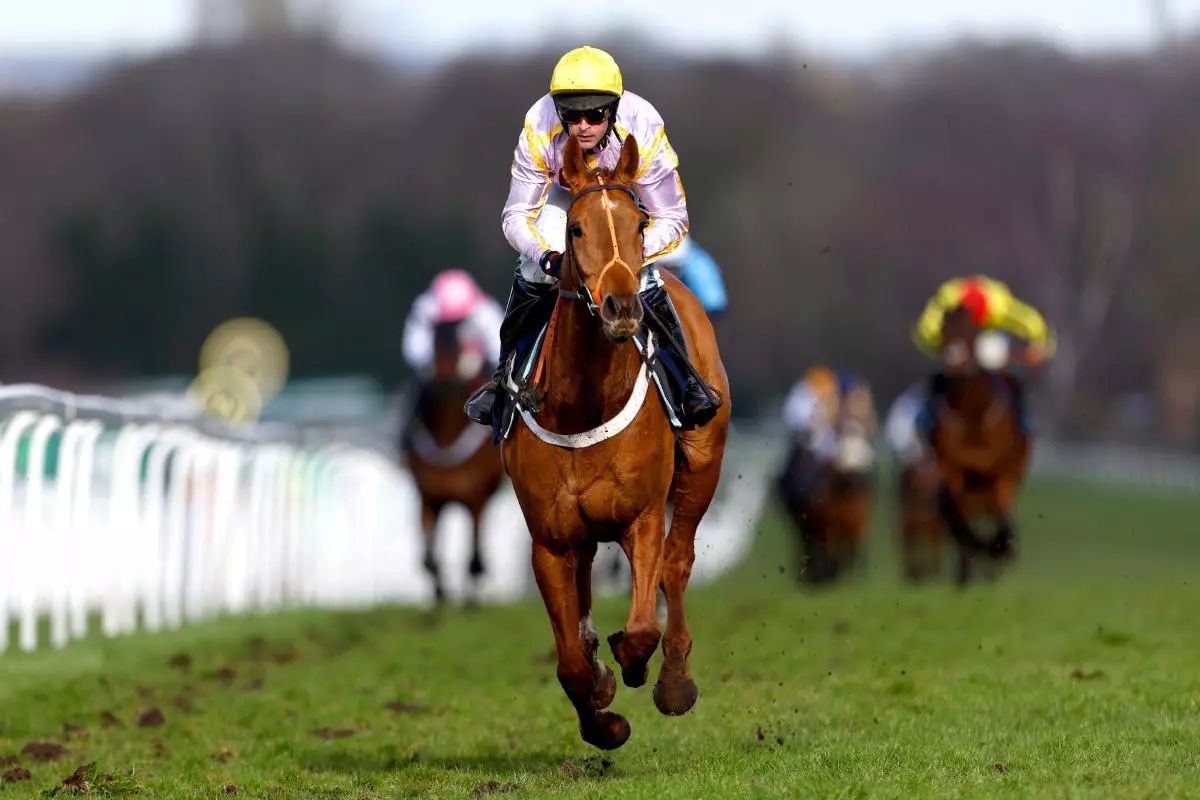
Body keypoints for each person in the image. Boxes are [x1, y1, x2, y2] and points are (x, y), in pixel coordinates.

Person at [464, 45, 721, 431]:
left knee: (645, 276)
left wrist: (628, 254)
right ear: (558, 111)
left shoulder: (643, 124)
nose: (582, 125)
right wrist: (546, 256)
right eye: (572, 115)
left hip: (621, 196)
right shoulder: (538, 123)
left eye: (595, 114)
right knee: (532, 270)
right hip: (564, 195)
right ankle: (503, 381)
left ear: (614, 109)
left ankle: (686, 382)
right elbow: (516, 215)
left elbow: (673, 216)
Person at [911, 275, 1054, 442]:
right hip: (955, 337)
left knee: (992, 351)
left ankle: (1021, 420)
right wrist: (941, 345)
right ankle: (927, 418)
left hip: (988, 336)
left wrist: (1040, 345)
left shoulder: (998, 305)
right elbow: (925, 331)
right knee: (952, 364)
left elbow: (1033, 323)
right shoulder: (947, 301)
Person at [401, 269, 503, 447]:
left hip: (476, 361)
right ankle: (407, 436)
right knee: (416, 393)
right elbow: (414, 350)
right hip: (437, 363)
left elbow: (499, 347)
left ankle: (502, 430)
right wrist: (432, 363)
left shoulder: (484, 309)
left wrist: (480, 362)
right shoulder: (426, 308)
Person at [659, 236, 728, 329]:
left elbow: (713, 309)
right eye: (664, 269)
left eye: (673, 269)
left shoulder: (699, 270)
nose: (670, 275)